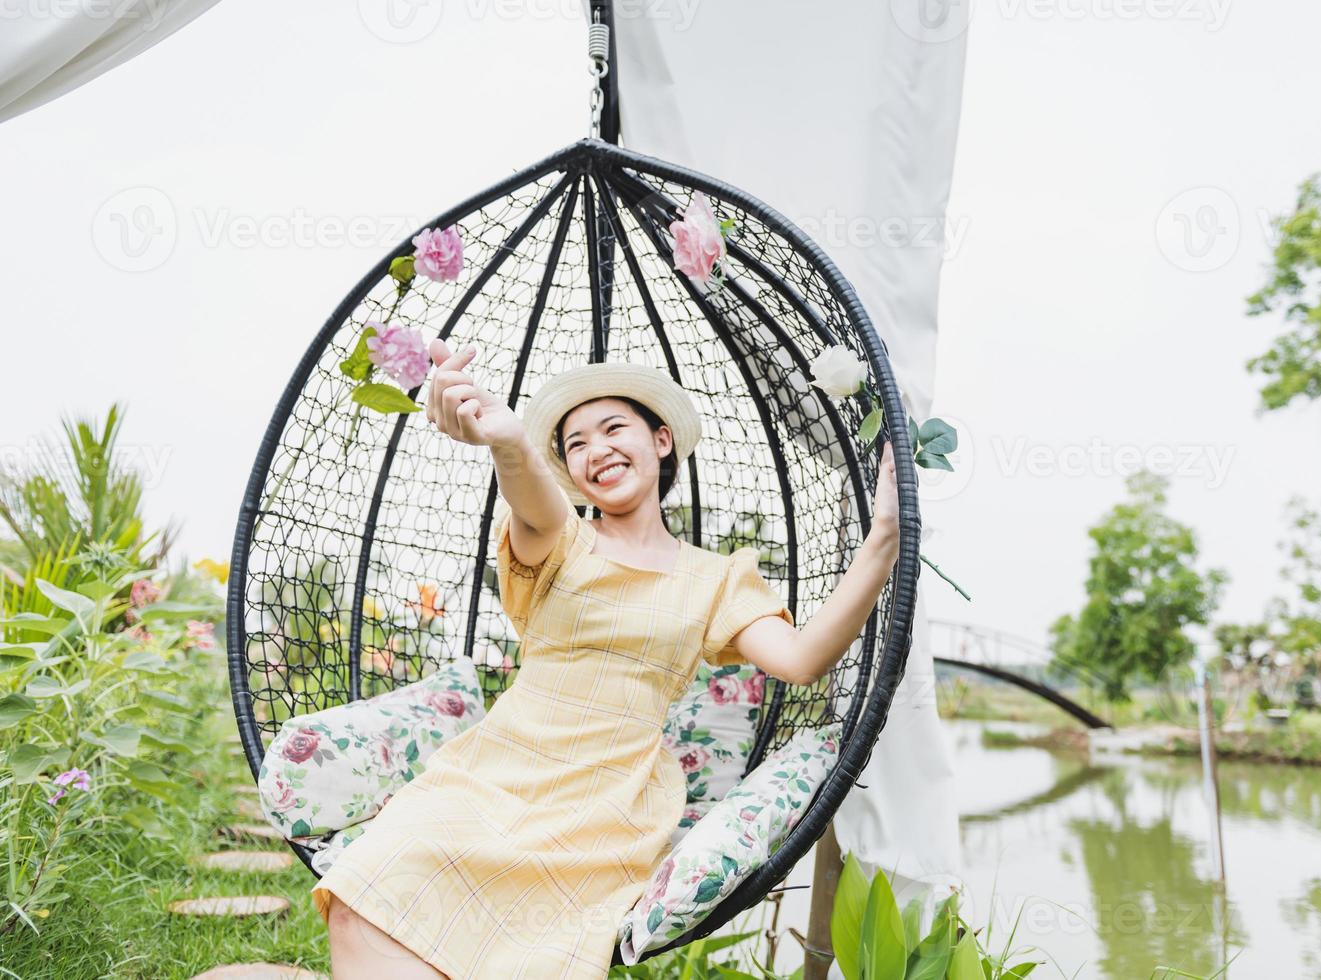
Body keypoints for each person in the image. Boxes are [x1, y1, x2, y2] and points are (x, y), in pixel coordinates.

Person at [314, 339, 899, 979]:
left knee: (529, 957)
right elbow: (535, 501)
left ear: (662, 441)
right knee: (363, 894)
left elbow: (802, 658)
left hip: (608, 798)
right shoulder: (560, 536)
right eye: (576, 444)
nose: (597, 451)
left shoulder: (716, 578)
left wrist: (882, 542)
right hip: (492, 773)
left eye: (614, 428)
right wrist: (510, 443)